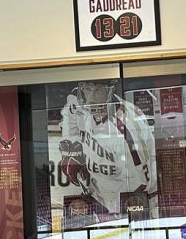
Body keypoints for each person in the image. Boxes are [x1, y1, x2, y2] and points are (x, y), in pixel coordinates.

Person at [58, 80, 157, 218]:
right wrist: (71, 149)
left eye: (98, 90)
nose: (91, 97)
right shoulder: (79, 106)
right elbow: (69, 115)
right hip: (96, 196)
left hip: (122, 202)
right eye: (87, 88)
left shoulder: (126, 124)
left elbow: (142, 183)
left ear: (110, 90)